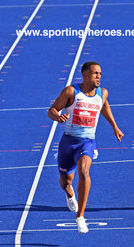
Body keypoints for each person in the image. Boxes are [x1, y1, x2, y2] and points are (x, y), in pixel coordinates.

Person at [48, 61, 124, 234]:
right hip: (68, 142)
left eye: (100, 74)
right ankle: (70, 193)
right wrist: (57, 117)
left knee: (84, 171)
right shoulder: (71, 91)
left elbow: (103, 107)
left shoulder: (102, 93)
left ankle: (80, 216)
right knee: (65, 182)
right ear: (84, 75)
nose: (99, 77)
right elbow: (52, 109)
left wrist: (115, 127)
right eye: (95, 73)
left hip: (87, 142)